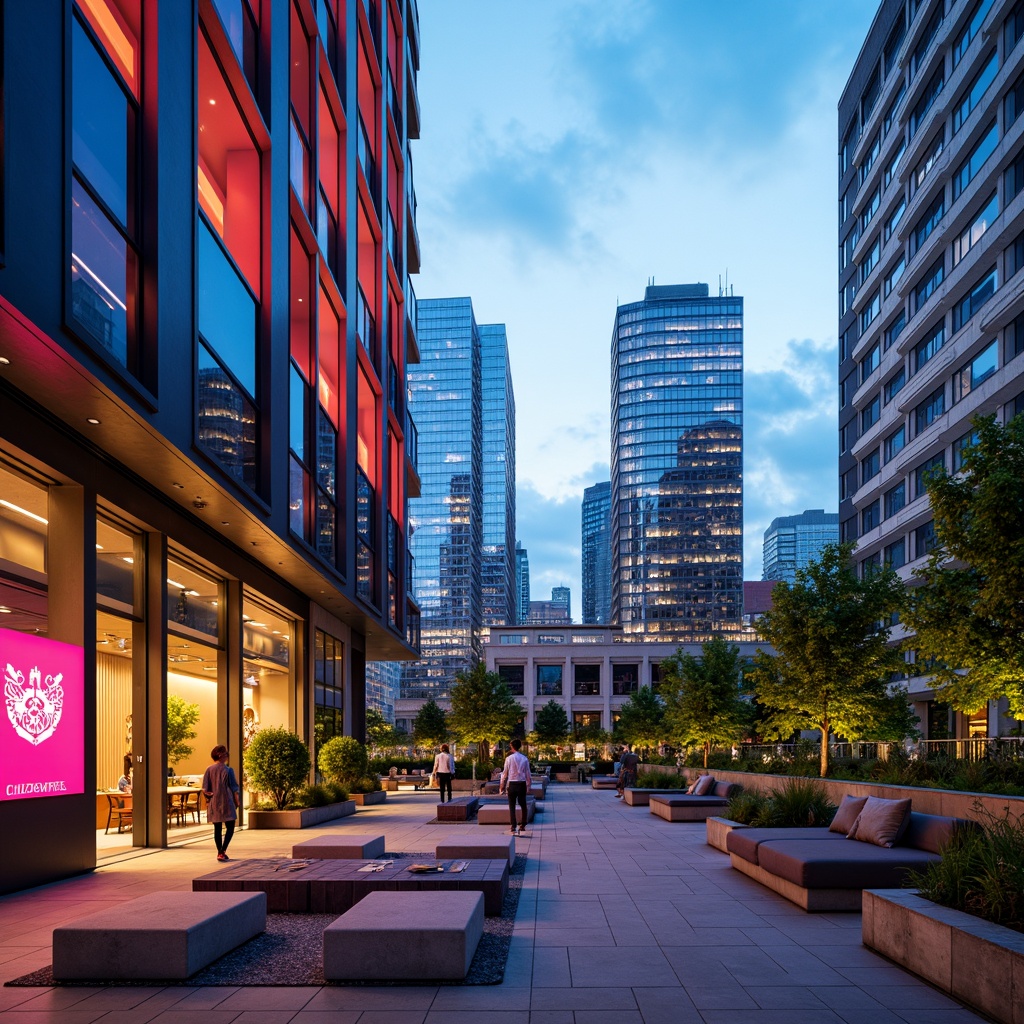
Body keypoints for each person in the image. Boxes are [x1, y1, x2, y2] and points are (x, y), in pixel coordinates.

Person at [202, 744, 240, 862]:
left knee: (217, 828)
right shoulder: (228, 770)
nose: (227, 755)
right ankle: (222, 851)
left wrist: (208, 799)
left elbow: (205, 789)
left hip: (214, 802)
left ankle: (220, 852)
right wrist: (237, 802)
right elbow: (234, 788)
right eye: (226, 753)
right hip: (226, 801)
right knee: (230, 827)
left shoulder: (209, 769)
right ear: (221, 755)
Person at [498, 738, 532, 835]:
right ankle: (523, 824)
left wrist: (502, 785)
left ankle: (513, 825)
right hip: (521, 784)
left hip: (512, 784)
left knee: (511, 805)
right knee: (523, 804)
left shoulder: (509, 759)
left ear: (512, 746)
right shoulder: (524, 758)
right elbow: (528, 774)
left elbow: (504, 773)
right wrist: (528, 786)